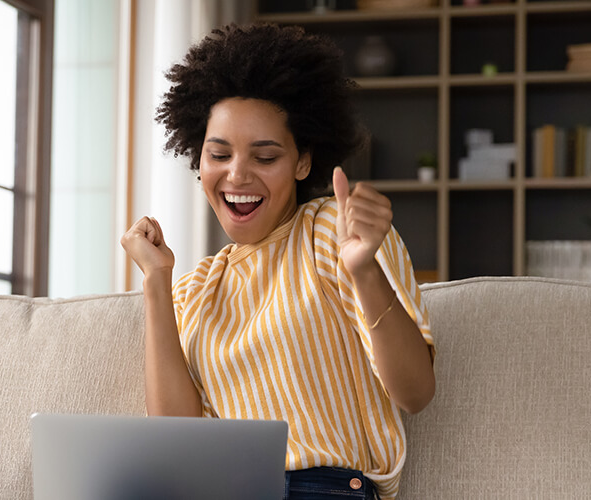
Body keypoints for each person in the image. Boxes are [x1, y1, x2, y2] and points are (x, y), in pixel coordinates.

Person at [119, 23, 436, 500]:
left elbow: (415, 394)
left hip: (324, 488)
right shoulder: (196, 288)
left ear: (302, 162)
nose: (237, 174)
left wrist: (365, 271)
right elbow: (177, 440)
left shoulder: (334, 232)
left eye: (265, 157)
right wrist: (156, 281)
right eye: (219, 154)